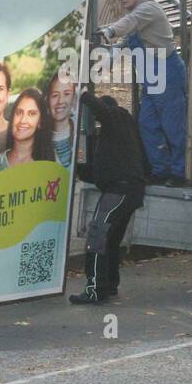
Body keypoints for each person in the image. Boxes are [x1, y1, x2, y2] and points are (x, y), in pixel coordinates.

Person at [97, 0, 187, 185]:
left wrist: (109, 30)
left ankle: (178, 173)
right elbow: (126, 38)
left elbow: (129, 24)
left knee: (173, 126)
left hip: (165, 71)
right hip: (150, 76)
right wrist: (109, 58)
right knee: (147, 123)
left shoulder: (147, 9)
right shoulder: (135, 13)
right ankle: (160, 169)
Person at [70, 92, 148, 305]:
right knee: (111, 239)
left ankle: (95, 289)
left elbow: (103, 111)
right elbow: (101, 170)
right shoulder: (123, 134)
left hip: (119, 190)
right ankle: (110, 284)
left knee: (97, 235)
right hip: (130, 189)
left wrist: (83, 94)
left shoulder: (118, 116)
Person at [0, 88, 56, 171]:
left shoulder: (48, 169)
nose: (23, 120)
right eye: (19, 112)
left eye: (31, 114)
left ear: (40, 122)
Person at [46, 71, 76, 166]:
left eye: (67, 94)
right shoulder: (41, 139)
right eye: (55, 95)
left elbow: (83, 168)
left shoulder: (80, 133)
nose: (60, 101)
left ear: (74, 99)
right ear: (48, 100)